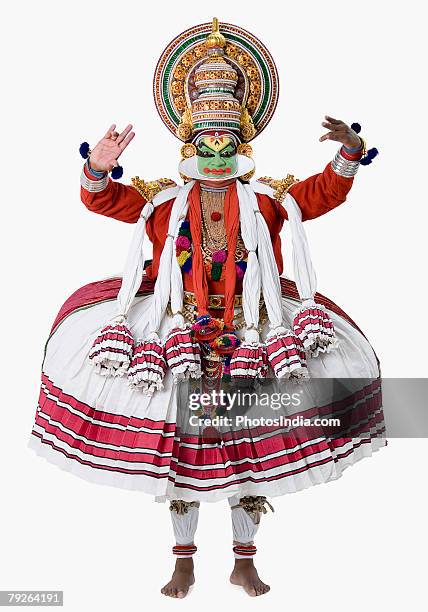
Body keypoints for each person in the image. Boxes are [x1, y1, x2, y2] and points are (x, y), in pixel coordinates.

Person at [29, 18, 384, 598]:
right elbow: (103, 198)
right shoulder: (162, 201)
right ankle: (184, 557)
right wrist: (97, 164)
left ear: (243, 135)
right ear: (188, 136)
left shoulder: (269, 198)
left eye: (226, 135)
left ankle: (245, 556)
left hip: (255, 331)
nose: (215, 147)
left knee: (249, 449)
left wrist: (349, 153)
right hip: (178, 333)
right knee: (184, 452)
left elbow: (322, 194)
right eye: (205, 135)